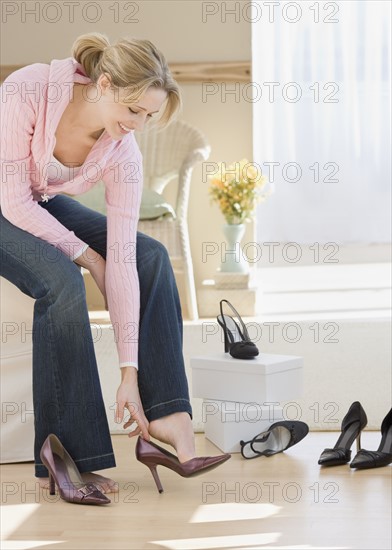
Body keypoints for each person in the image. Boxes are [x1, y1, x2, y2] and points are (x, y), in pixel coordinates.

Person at [0, 32, 229, 494]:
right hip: (8, 201)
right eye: (133, 111)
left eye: (149, 115)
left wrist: (130, 373)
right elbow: (13, 202)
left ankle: (168, 416)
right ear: (103, 85)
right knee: (63, 280)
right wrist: (88, 259)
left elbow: (122, 257)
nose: (139, 124)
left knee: (149, 255)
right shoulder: (28, 90)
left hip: (36, 201)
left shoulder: (123, 151)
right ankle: (67, 454)